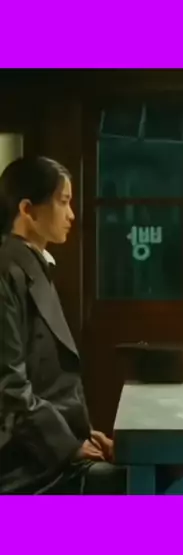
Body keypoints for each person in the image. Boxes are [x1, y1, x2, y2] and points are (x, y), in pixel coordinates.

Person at [0, 156, 127, 494]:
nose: (71, 215)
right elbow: (9, 388)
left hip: (47, 447)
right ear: (28, 210)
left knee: (149, 471)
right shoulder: (7, 271)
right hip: (25, 464)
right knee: (138, 485)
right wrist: (68, 446)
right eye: (63, 201)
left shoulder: (30, 265)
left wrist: (82, 434)